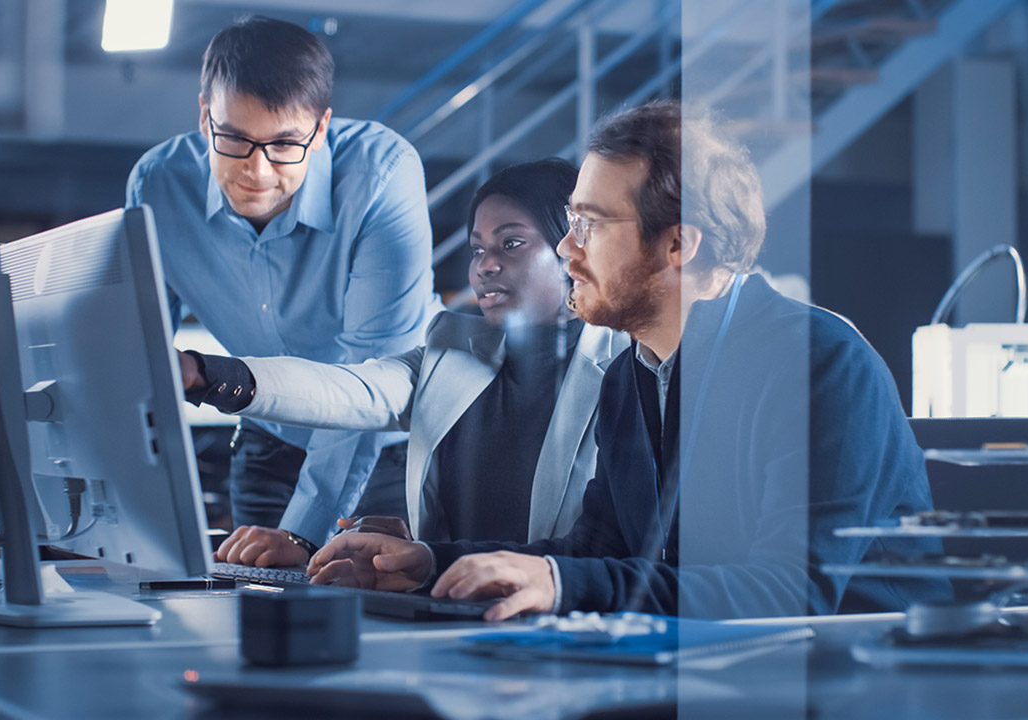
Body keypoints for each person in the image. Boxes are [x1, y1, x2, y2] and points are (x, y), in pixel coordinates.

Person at [305, 100, 952, 621]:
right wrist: (427, 565)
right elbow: (597, 552)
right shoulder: (631, 372)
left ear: (677, 244)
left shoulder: (819, 365)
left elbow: (787, 595)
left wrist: (563, 582)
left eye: (588, 224)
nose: (564, 248)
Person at [182, 159, 629, 567]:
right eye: (477, 248)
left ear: (572, 250)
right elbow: (348, 391)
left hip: (567, 624)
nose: (485, 265)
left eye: (511, 243)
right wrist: (207, 375)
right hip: (451, 619)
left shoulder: (629, 369)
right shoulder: (450, 350)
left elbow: (609, 550)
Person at [126, 17, 441, 563]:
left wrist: (303, 530)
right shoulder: (157, 184)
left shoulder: (382, 175)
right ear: (205, 116)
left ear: (319, 129)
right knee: (245, 612)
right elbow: (140, 349)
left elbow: (372, 383)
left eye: (285, 144)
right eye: (234, 138)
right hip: (268, 439)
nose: (257, 169)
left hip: (390, 449)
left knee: (378, 630)